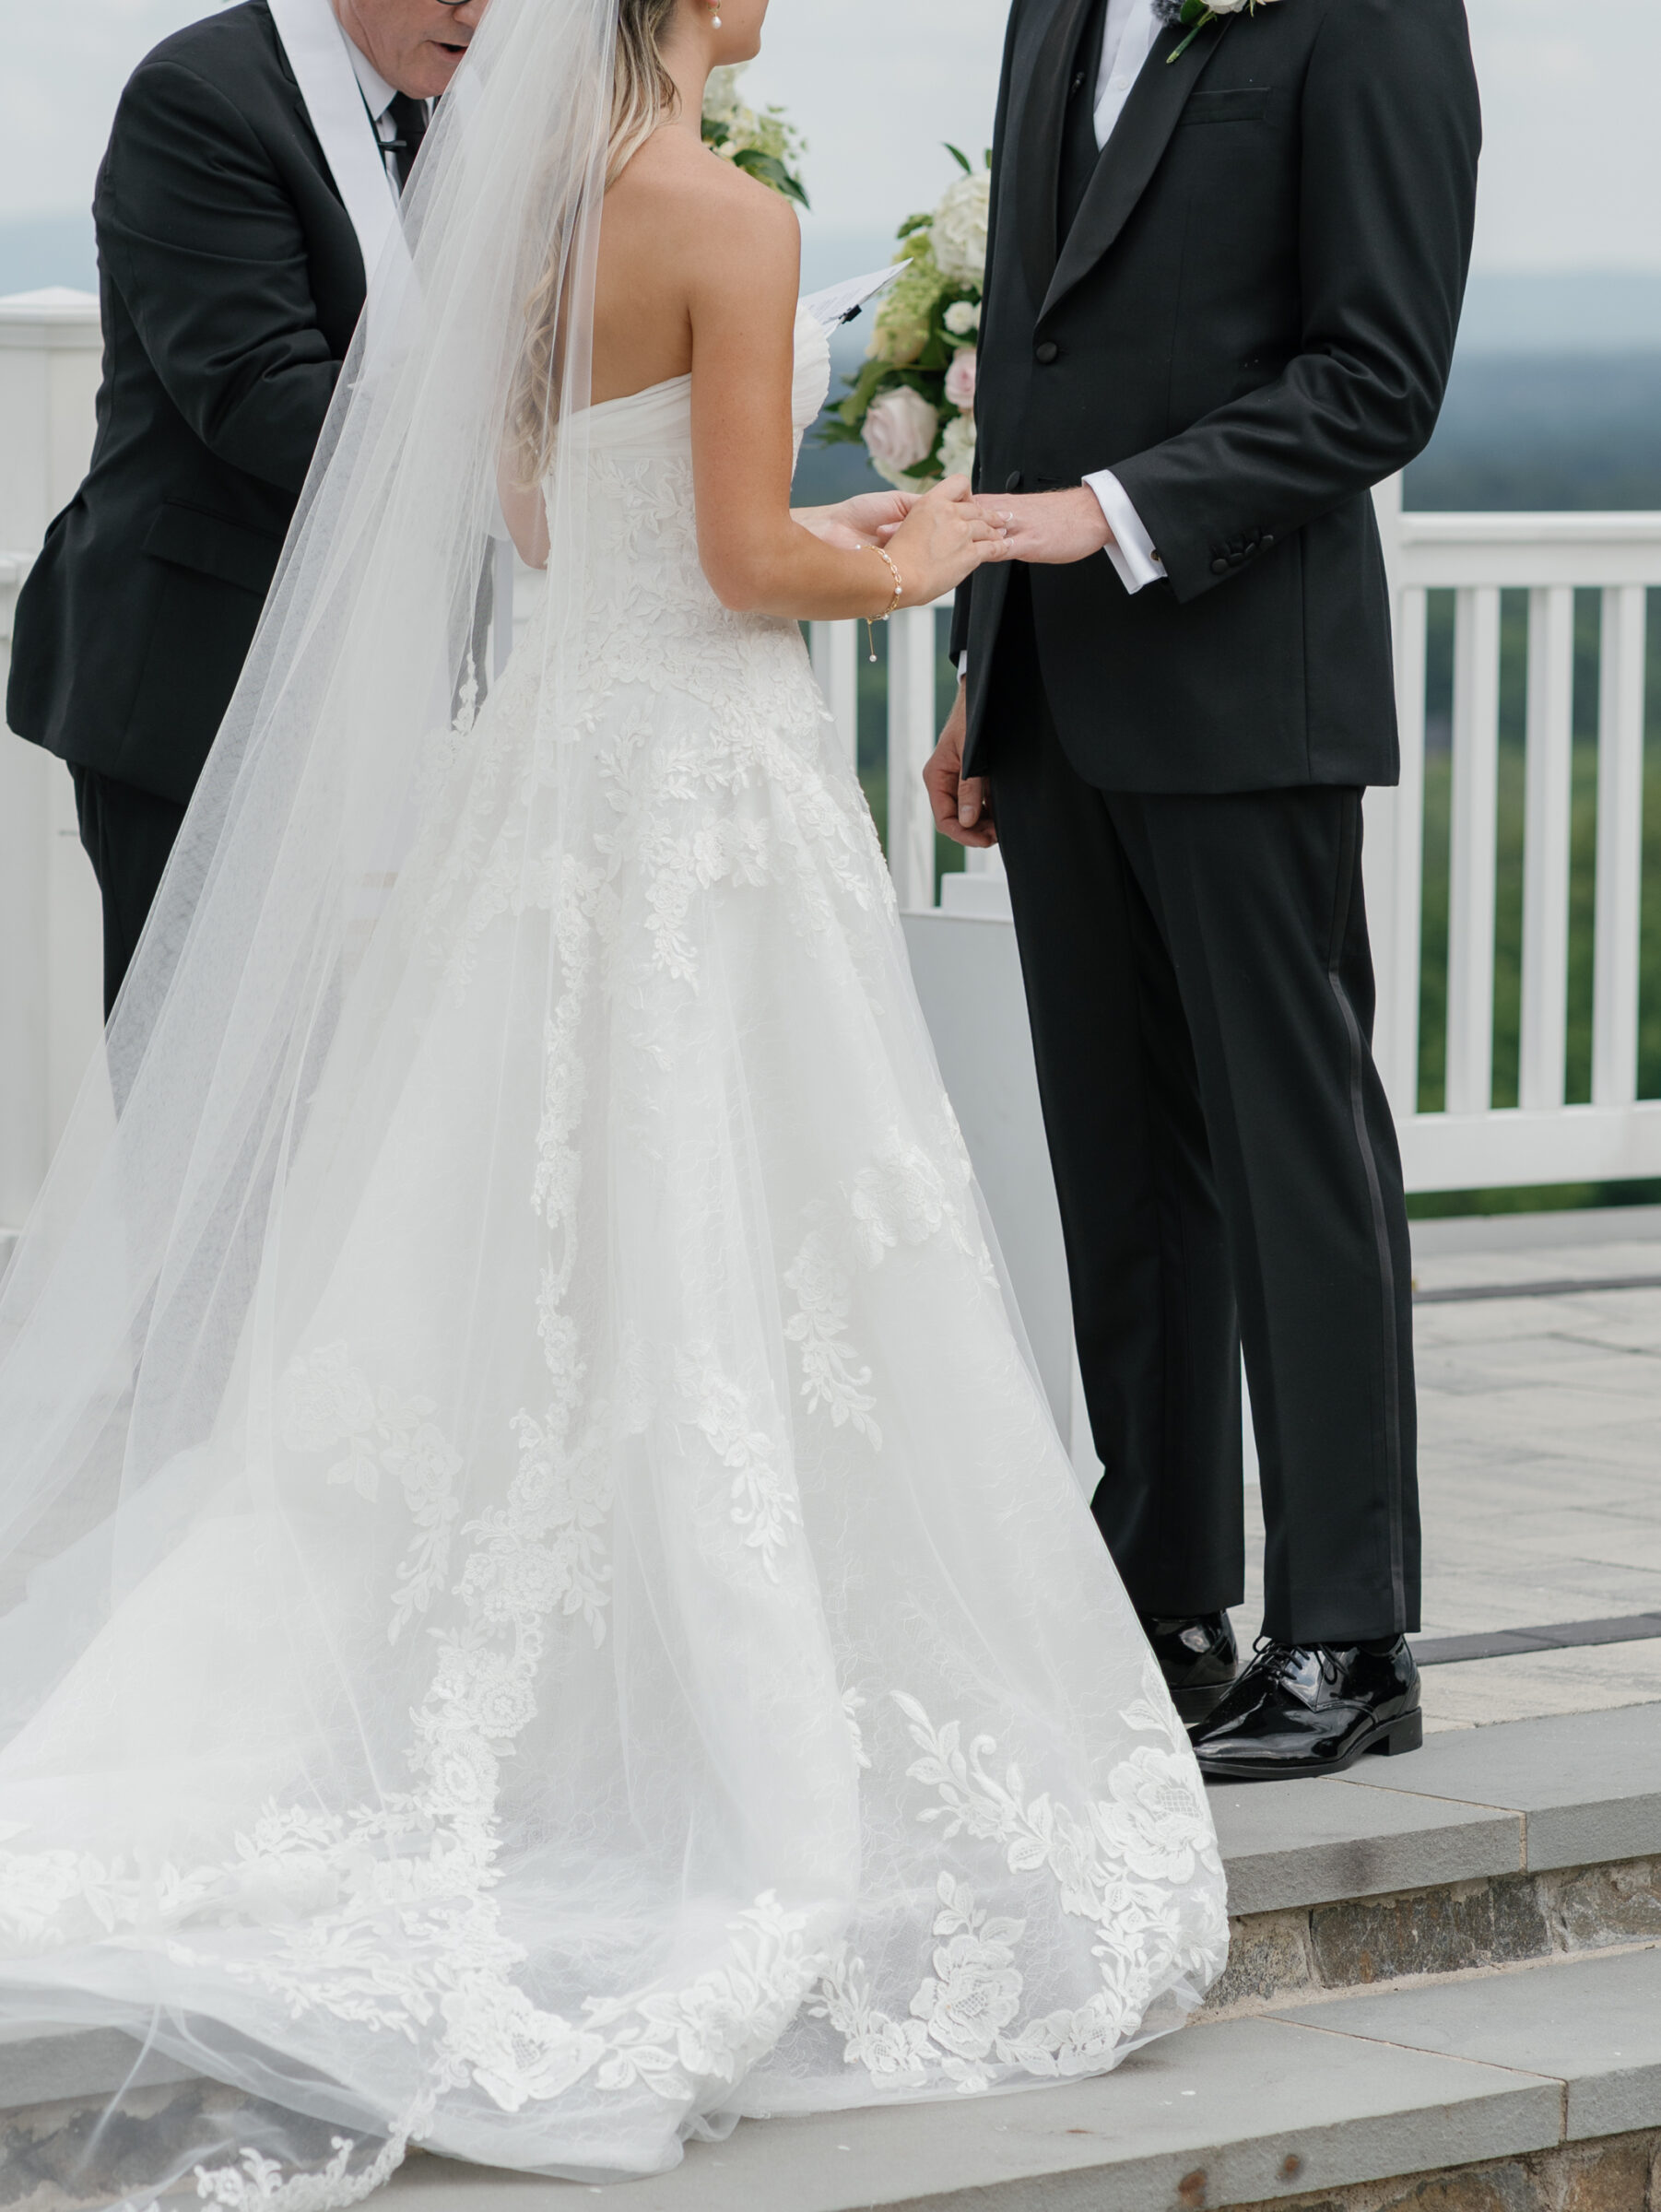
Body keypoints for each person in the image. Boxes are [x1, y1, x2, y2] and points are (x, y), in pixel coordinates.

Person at [0, 0, 1227, 2202]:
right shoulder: (728, 218)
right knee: (721, 1241)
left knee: (515, 1252)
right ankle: (688, 1729)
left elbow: (554, 521)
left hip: (550, 769)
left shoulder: (522, 214)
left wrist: (759, 539)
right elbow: (750, 563)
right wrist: (925, 550)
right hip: (698, 788)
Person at [926, 0, 1481, 1779]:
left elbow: (1377, 373)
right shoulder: (1050, 13)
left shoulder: (1373, 16)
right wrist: (980, 661)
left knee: (1291, 1153)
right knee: (1119, 1165)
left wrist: (1118, 509)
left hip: (1248, 679)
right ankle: (1165, 1608)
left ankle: (1347, 1636)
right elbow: (1027, 345)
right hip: (1054, 690)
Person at [6, 0, 487, 1019]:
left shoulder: (462, 111)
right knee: (199, 1102)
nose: (476, 10)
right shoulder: (203, 97)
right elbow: (257, 393)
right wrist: (524, 466)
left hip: (392, 681)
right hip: (204, 672)